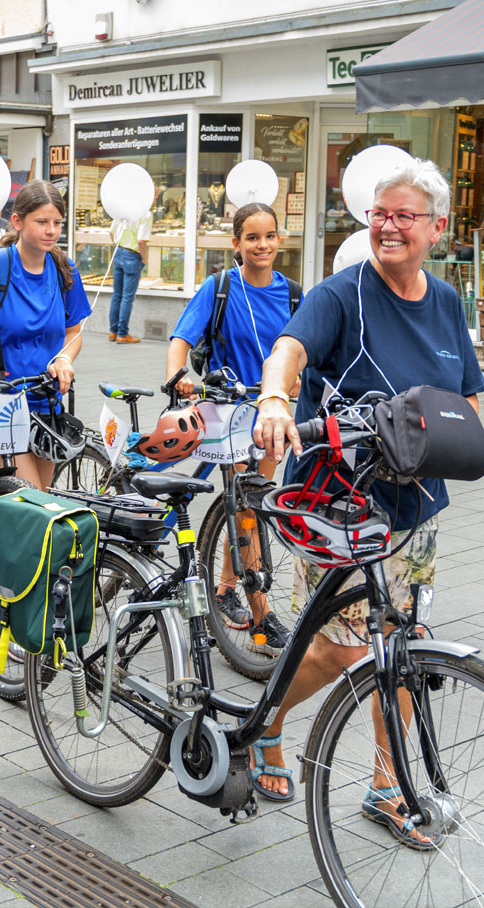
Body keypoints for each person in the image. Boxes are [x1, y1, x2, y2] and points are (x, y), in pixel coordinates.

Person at [251, 159, 484, 836]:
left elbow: (466, 395)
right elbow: (289, 349)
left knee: (399, 647)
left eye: (403, 215)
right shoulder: (341, 294)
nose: (388, 225)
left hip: (416, 510)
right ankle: (269, 717)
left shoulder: (445, 302)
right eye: (380, 213)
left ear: (436, 228)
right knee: (340, 651)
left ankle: (387, 785)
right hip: (340, 501)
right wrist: (272, 397)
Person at [166, 202, 300, 653]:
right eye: (252, 237)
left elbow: (303, 355)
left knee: (247, 506)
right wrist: (176, 376)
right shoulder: (220, 286)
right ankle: (262, 620)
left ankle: (223, 589)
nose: (262, 245)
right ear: (236, 243)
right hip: (226, 414)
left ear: (279, 240)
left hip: (271, 420)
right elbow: (181, 340)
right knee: (248, 509)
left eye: (269, 236)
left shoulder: (296, 295)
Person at [0, 180, 91, 491]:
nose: (51, 230)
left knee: (39, 507)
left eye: (57, 223)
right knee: (32, 505)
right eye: (42, 222)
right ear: (17, 221)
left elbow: (73, 330)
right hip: (0, 405)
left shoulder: (64, 268)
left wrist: (65, 357)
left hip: (47, 402)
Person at [107, 213, 151, 343]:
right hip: (132, 255)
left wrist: (118, 246)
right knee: (127, 297)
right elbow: (141, 240)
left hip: (118, 252)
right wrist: (144, 258)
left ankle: (113, 331)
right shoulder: (145, 214)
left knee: (117, 295)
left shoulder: (123, 209)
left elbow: (111, 232)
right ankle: (122, 334)